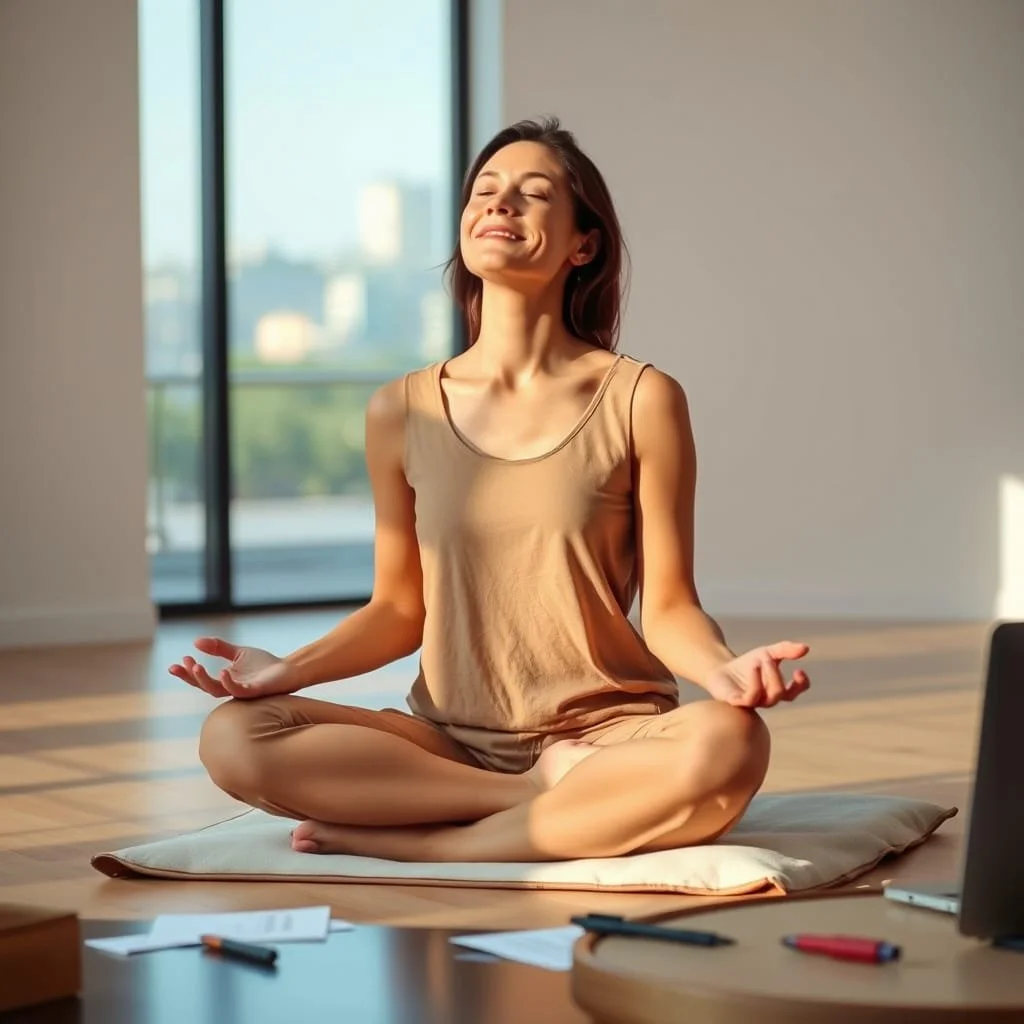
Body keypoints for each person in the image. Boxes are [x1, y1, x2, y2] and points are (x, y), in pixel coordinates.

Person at [171, 118, 811, 864]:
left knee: (730, 742)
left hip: (606, 736)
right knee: (234, 737)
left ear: (583, 244)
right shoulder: (399, 410)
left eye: (532, 194)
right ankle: (527, 802)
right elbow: (398, 609)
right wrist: (290, 668)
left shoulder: (642, 398)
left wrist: (720, 669)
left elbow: (668, 607)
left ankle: (433, 849)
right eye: (485, 190)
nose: (499, 205)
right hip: (448, 744)